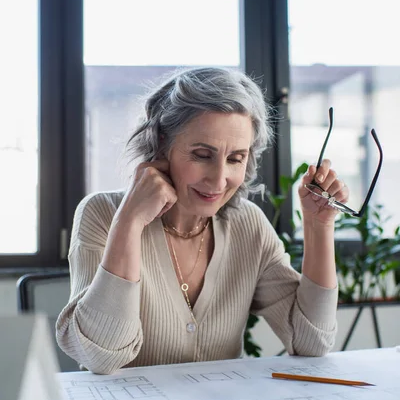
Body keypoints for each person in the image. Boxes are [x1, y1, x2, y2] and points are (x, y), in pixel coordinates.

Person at [56, 67, 348, 375]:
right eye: (202, 155)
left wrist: (319, 226)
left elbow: (312, 342)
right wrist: (129, 222)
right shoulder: (102, 214)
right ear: (162, 143)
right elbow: (100, 357)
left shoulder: (247, 225)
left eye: (235, 158)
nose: (219, 180)